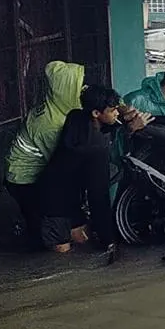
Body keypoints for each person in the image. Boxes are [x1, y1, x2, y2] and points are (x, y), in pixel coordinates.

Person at [5, 61, 86, 248]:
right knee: (42, 229)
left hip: (24, 172)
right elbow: (60, 165)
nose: (82, 90)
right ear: (65, 89)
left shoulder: (56, 106)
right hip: (24, 179)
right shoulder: (50, 123)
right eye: (78, 86)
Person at [38, 85, 124, 253]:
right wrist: (109, 240)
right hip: (55, 203)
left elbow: (102, 127)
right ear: (96, 113)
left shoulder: (75, 116)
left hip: (58, 188)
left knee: (83, 239)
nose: (117, 113)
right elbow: (98, 199)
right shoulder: (96, 148)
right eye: (113, 110)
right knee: (62, 251)